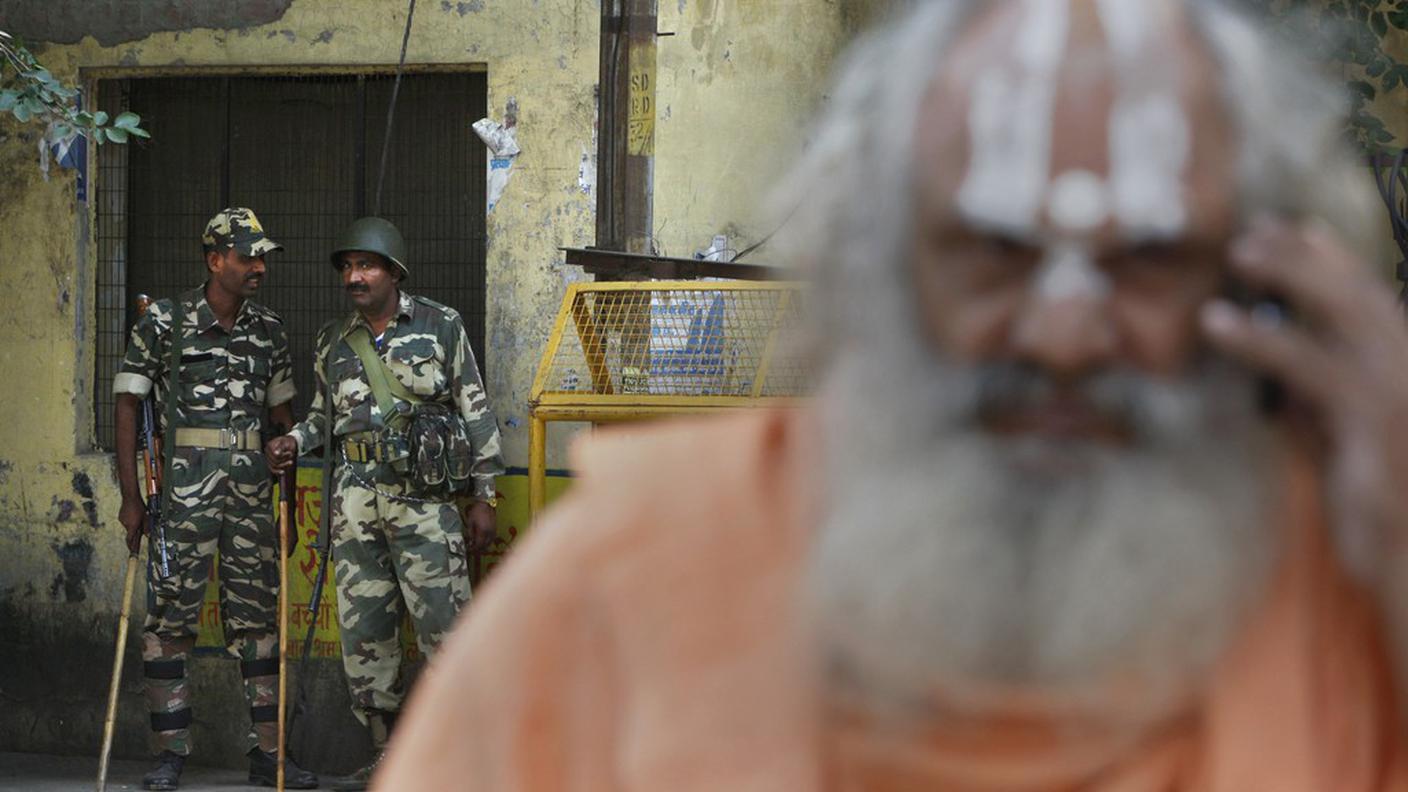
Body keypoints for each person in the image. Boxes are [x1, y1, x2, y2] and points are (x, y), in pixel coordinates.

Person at [377, 1, 1408, 790]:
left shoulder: (1361, 585)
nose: (1059, 337)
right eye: (993, 250)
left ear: (1258, 284)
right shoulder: (623, 580)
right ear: (879, 272)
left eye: (1145, 258)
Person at [264, 216, 505, 790]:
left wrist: (485, 494)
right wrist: (293, 440)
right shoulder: (332, 339)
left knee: (447, 635)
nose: (355, 276)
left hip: (425, 506)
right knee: (365, 643)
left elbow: (475, 407)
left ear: (394, 273)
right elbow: (324, 416)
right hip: (355, 507)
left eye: (367, 265)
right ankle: (389, 756)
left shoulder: (440, 325)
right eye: (348, 266)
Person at [114, 207, 318, 790]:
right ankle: (170, 755)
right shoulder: (165, 324)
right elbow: (129, 406)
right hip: (180, 499)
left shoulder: (269, 330)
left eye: (262, 257)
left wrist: (290, 503)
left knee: (258, 627)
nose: (259, 266)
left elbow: (284, 424)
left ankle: (268, 756)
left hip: (253, 499)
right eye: (248, 256)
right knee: (170, 624)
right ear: (214, 260)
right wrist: (132, 500)